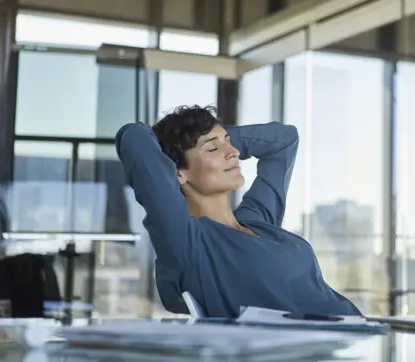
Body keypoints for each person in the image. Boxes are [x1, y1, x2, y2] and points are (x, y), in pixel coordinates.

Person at [115, 105, 361, 317]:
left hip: (362, 338)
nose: (233, 153)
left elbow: (285, 139)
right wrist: (179, 143)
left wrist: (213, 139)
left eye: (229, 143)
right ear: (178, 172)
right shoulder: (188, 241)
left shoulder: (257, 220)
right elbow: (134, 136)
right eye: (212, 149)